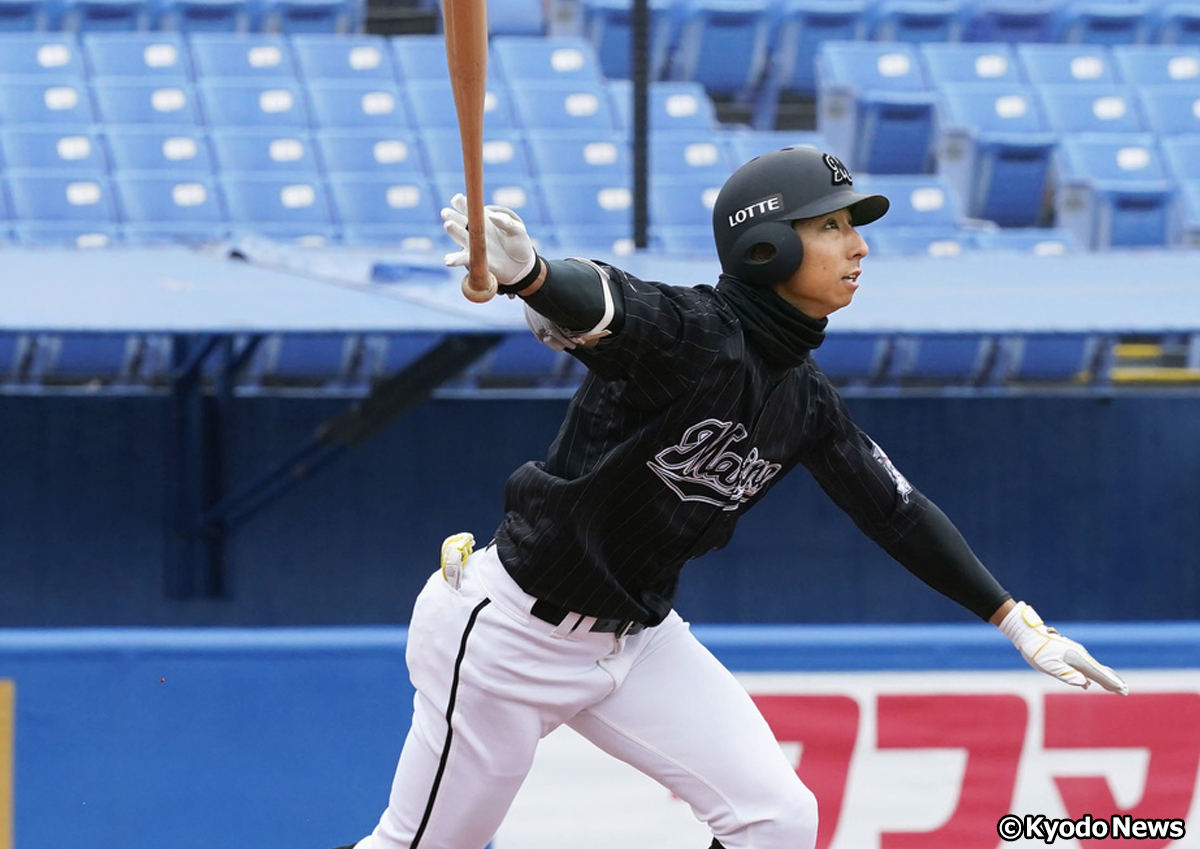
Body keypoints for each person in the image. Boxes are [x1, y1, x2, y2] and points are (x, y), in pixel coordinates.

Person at [333, 146, 1127, 849]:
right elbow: (614, 306)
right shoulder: (697, 332)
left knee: (777, 820)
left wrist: (1016, 623)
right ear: (766, 245)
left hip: (637, 640)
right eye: (832, 228)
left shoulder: (804, 398)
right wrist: (535, 277)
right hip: (509, 634)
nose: (858, 246)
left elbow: (897, 510)